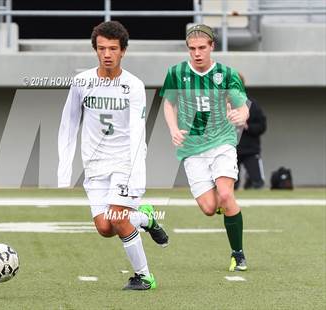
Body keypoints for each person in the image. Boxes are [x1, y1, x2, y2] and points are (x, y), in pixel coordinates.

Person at [57, 21, 168, 290]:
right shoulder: (81, 82)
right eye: (102, 48)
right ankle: (146, 217)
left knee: (117, 218)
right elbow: (68, 124)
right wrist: (64, 168)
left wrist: (136, 172)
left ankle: (145, 276)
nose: (107, 54)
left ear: (123, 51)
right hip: (94, 166)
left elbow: (138, 132)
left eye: (113, 49)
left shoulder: (134, 86)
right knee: (105, 228)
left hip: (124, 163)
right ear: (95, 49)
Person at [160, 24, 249, 271]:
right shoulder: (176, 73)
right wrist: (173, 129)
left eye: (202, 48)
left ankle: (238, 253)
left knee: (226, 194)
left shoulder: (226, 74)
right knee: (209, 208)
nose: (197, 53)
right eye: (192, 49)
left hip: (222, 142)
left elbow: (243, 105)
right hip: (193, 148)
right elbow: (168, 104)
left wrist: (241, 116)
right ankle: (222, 202)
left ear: (212, 47)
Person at [235, 74, 267, 190]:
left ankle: (249, 180)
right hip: (231, 152)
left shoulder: (252, 104)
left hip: (250, 150)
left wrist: (247, 126)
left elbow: (262, 126)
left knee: (257, 183)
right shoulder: (223, 104)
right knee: (230, 185)